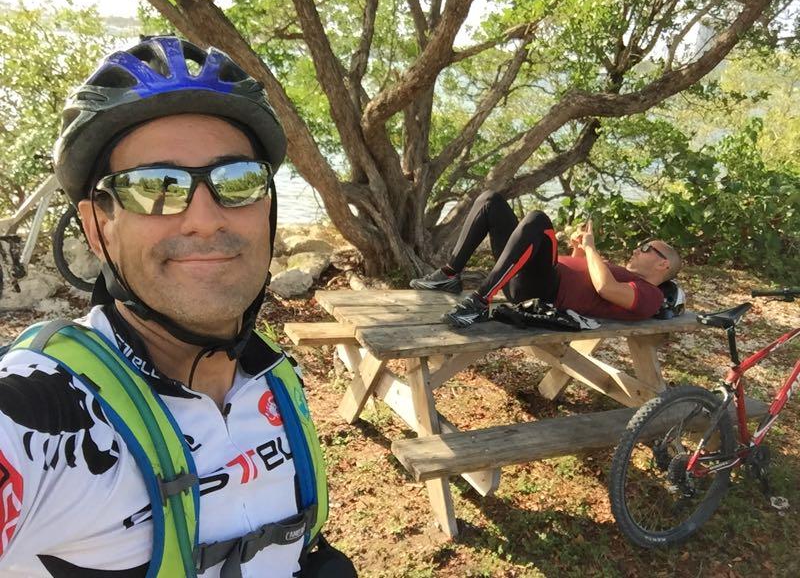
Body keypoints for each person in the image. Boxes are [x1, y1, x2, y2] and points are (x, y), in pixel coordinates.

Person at [0, 37, 355, 577]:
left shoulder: (277, 382)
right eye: (155, 187)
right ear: (97, 226)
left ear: (267, 210)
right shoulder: (44, 417)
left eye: (237, 182)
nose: (205, 219)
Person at [411, 191, 681, 328]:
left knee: (538, 220)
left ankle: (479, 303)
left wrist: (590, 249)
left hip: (544, 293)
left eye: (646, 247)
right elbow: (583, 276)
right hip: (526, 276)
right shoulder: (620, 271)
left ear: (663, 264)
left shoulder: (651, 295)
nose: (637, 249)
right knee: (489, 200)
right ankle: (449, 275)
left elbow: (605, 289)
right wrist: (578, 248)